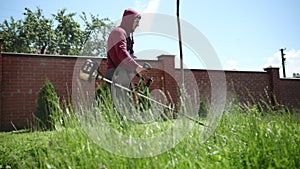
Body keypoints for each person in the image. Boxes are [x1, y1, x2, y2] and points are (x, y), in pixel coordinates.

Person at [105, 8, 146, 111]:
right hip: (116, 73)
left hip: (122, 74)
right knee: (122, 106)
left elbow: (128, 54)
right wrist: (136, 67)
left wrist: (135, 70)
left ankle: (123, 125)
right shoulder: (118, 32)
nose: (138, 25)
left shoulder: (127, 35)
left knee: (124, 104)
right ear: (129, 20)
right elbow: (122, 53)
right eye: (136, 22)